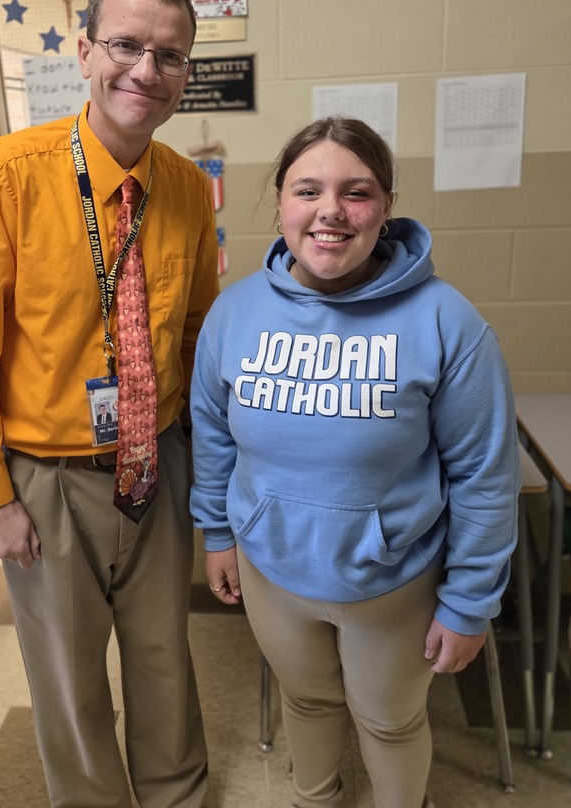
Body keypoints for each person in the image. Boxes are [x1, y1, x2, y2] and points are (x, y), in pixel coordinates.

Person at [0, 0, 219, 808]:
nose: (145, 70)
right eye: (127, 45)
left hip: (157, 466)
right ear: (86, 49)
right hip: (47, 481)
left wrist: (208, 472)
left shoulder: (188, 190)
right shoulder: (4, 177)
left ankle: (179, 797)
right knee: (70, 676)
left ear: (184, 77)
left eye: (169, 56)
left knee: (166, 658)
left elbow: (197, 333)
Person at [189, 117, 520, 808]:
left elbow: (485, 476)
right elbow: (214, 436)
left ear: (387, 206)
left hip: (393, 582)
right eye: (308, 189)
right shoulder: (234, 314)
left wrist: (469, 602)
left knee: (390, 720)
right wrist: (217, 533)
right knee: (306, 703)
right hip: (272, 568)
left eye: (357, 192)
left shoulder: (446, 322)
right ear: (281, 201)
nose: (330, 211)